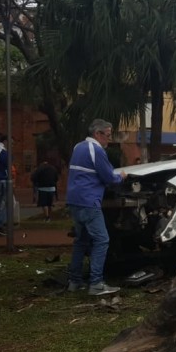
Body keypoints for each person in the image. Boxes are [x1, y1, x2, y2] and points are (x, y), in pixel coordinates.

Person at [66, 119, 127, 296]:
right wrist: (121, 177)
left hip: (75, 201)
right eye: (107, 136)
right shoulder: (96, 150)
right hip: (89, 202)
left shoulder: (79, 147)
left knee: (81, 241)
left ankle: (74, 282)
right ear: (97, 134)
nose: (109, 139)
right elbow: (109, 177)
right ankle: (96, 283)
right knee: (102, 240)